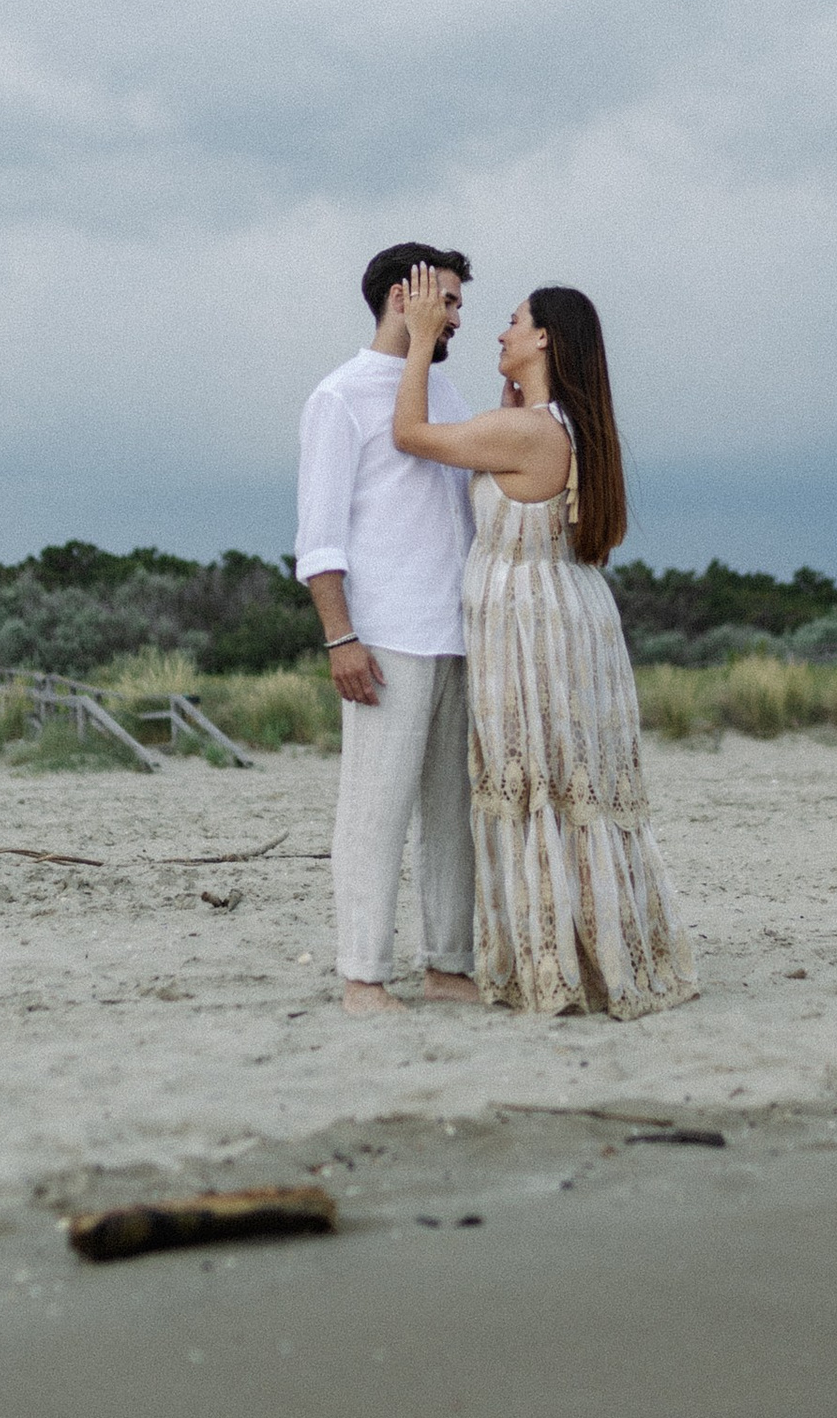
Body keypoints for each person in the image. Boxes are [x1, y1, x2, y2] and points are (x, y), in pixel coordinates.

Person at [391, 267, 694, 1019]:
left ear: (545, 338)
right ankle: (599, 949)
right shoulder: (562, 427)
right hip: (570, 613)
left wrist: (422, 342)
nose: (498, 331)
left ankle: (553, 964)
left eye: (513, 320)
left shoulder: (525, 431)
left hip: (529, 626)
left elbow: (408, 434)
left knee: (538, 787)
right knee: (568, 786)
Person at [295, 241, 479, 1016]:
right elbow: (320, 536)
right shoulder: (339, 397)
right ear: (405, 297)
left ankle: (448, 965)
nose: (459, 315)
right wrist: (341, 636)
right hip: (386, 636)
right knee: (374, 811)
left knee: (453, 814)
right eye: (449, 299)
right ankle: (362, 976)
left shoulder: (452, 396)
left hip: (461, 633)